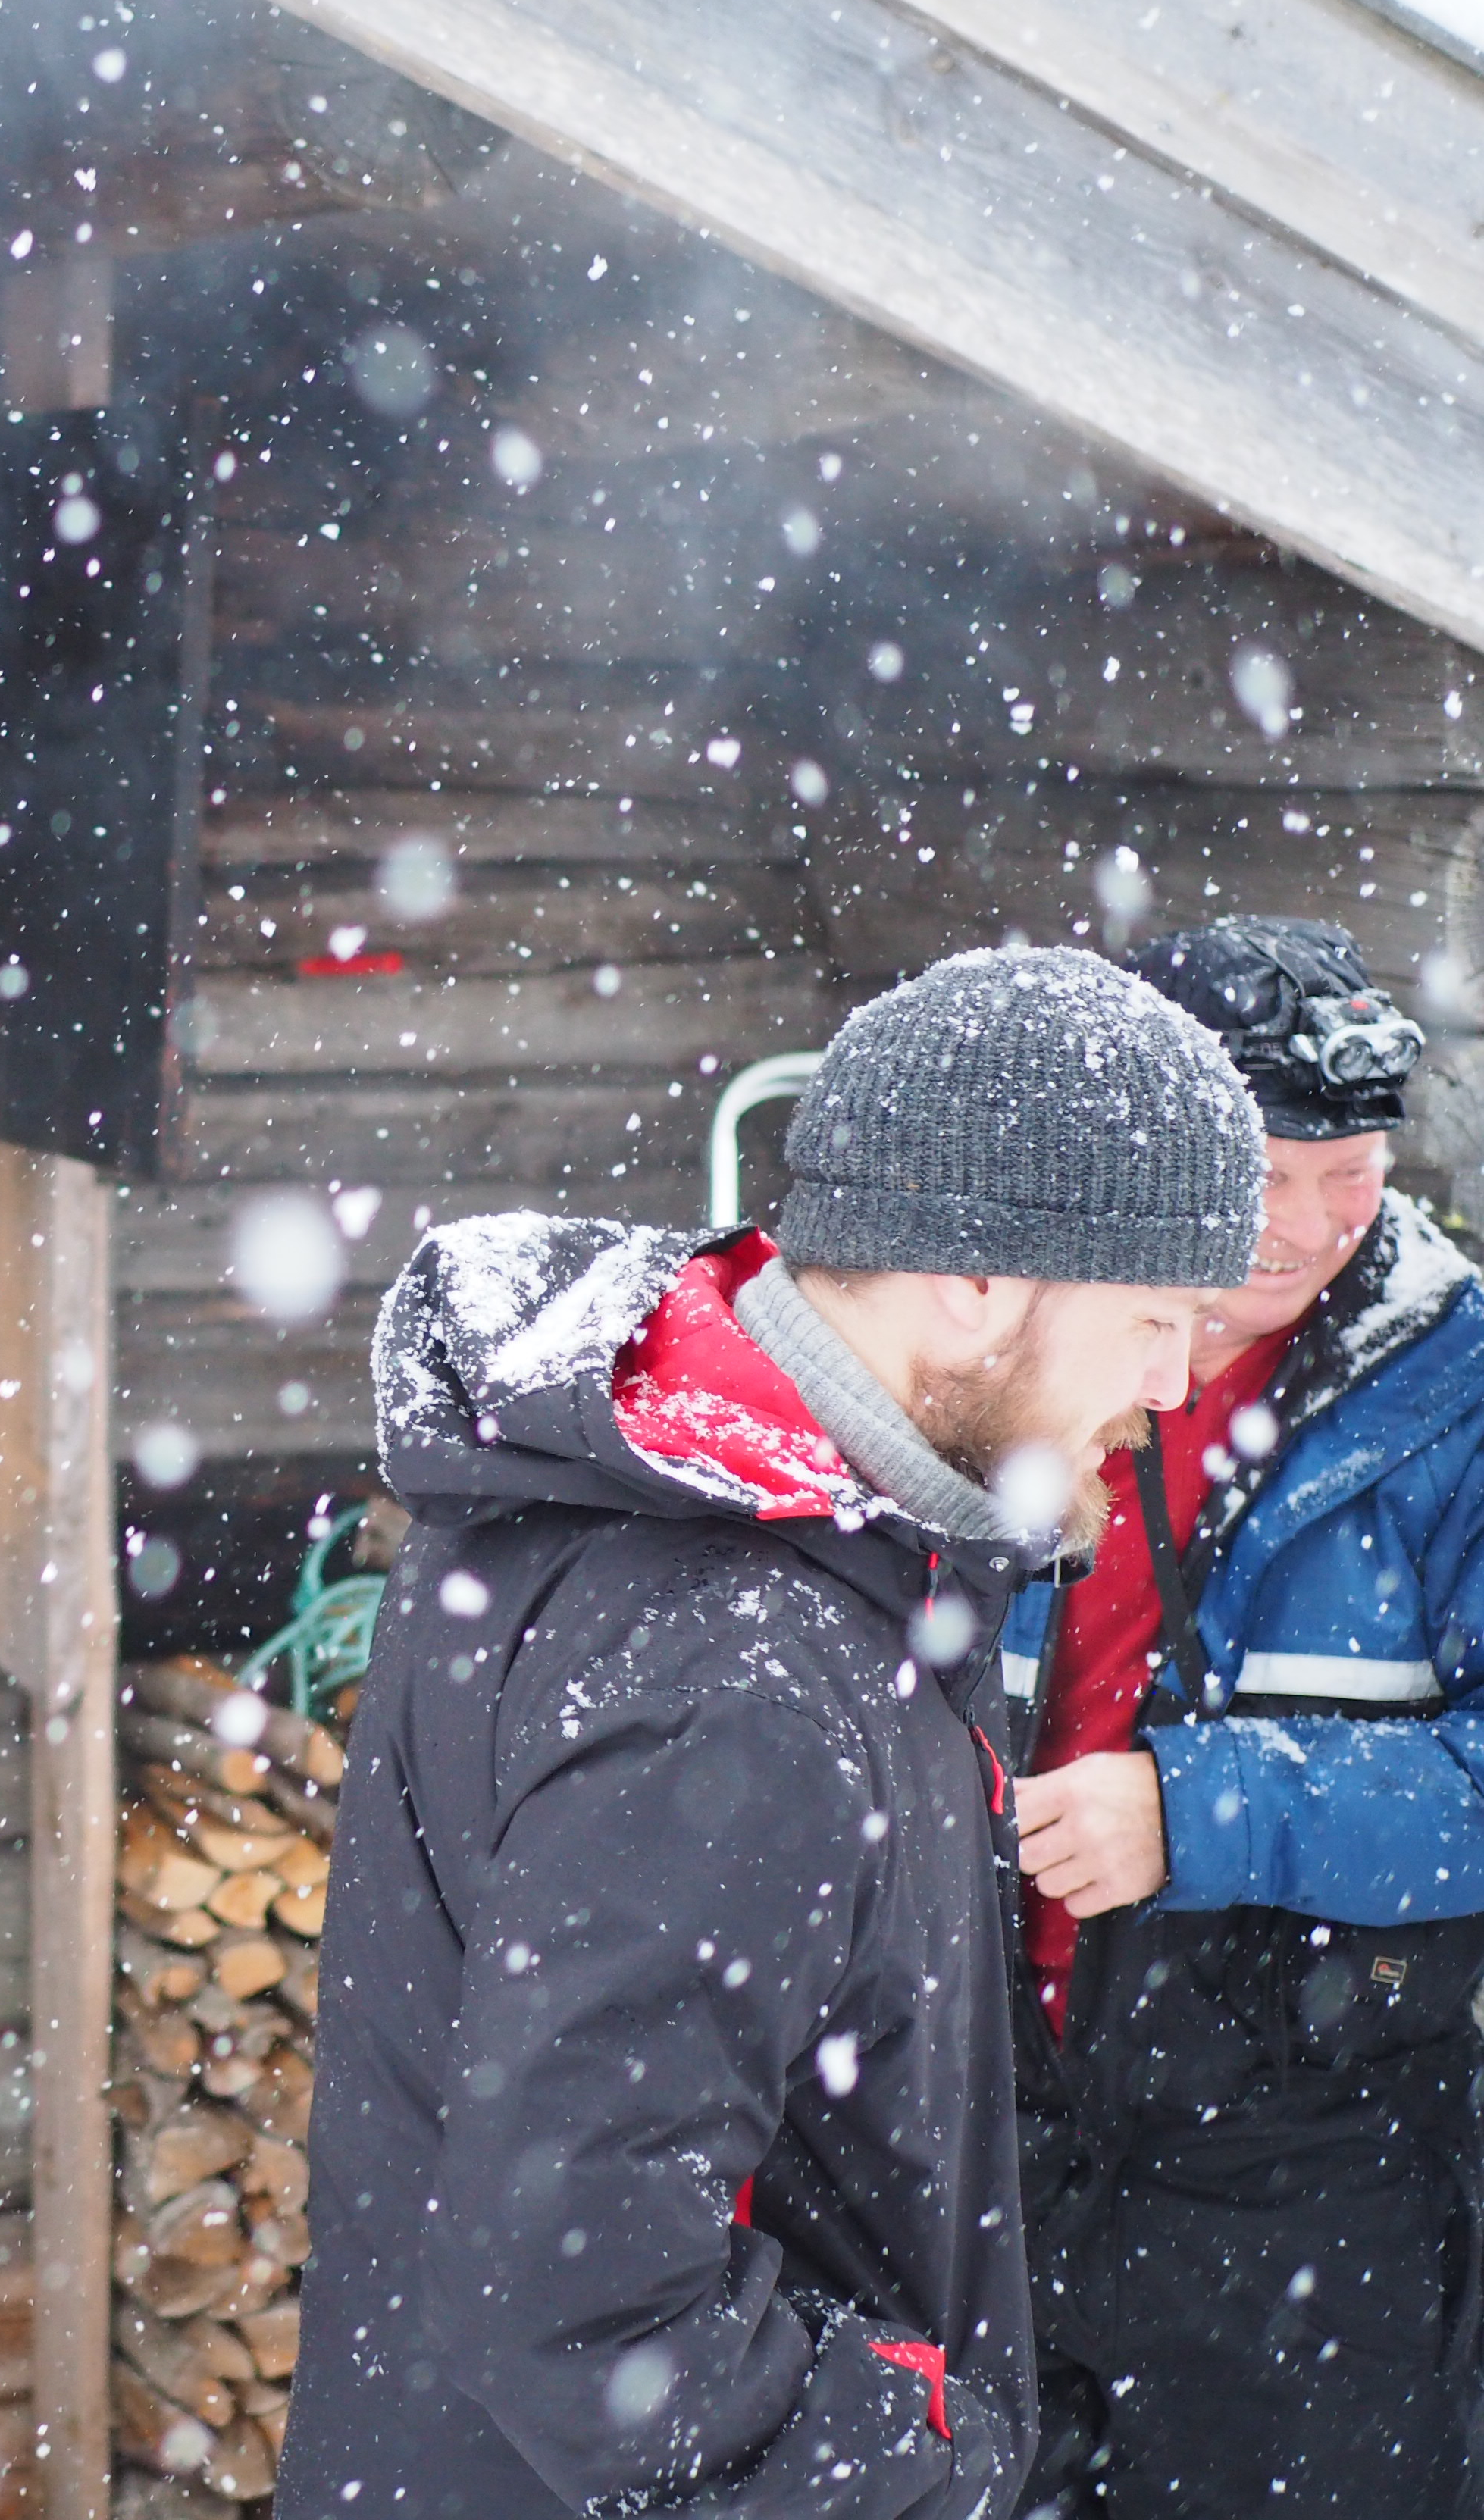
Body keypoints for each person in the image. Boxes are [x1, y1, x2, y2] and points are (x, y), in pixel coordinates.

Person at [272, 947, 1266, 2520]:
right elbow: (579, 2299)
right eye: (1154, 1315)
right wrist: (925, 2469)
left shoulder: (685, 1507)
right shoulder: (742, 1671)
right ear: (979, 1281)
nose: (1176, 1379)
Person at [1011, 917, 1484, 2518]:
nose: (1312, 1230)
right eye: (1268, 1176)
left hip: (1312, 2152)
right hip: (980, 2106)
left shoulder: (1457, 1388)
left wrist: (1204, 1811)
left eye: (1351, 1177)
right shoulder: (995, 1341)